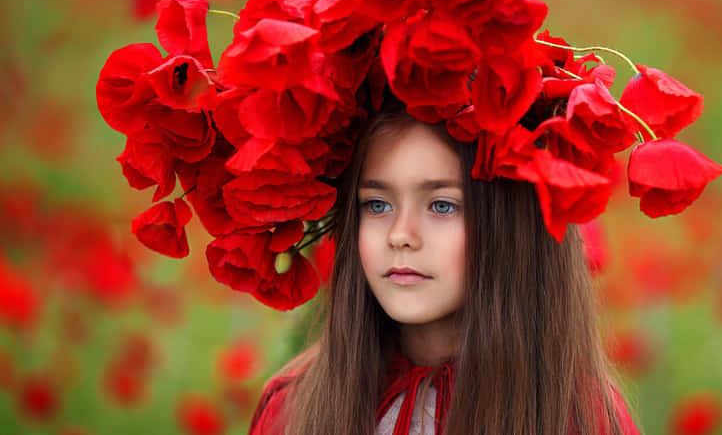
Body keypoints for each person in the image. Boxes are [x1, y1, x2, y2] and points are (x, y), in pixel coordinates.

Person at [247, 96, 641, 435]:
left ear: (511, 228)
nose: (400, 235)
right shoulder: (293, 409)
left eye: (442, 206)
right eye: (377, 205)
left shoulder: (579, 417)